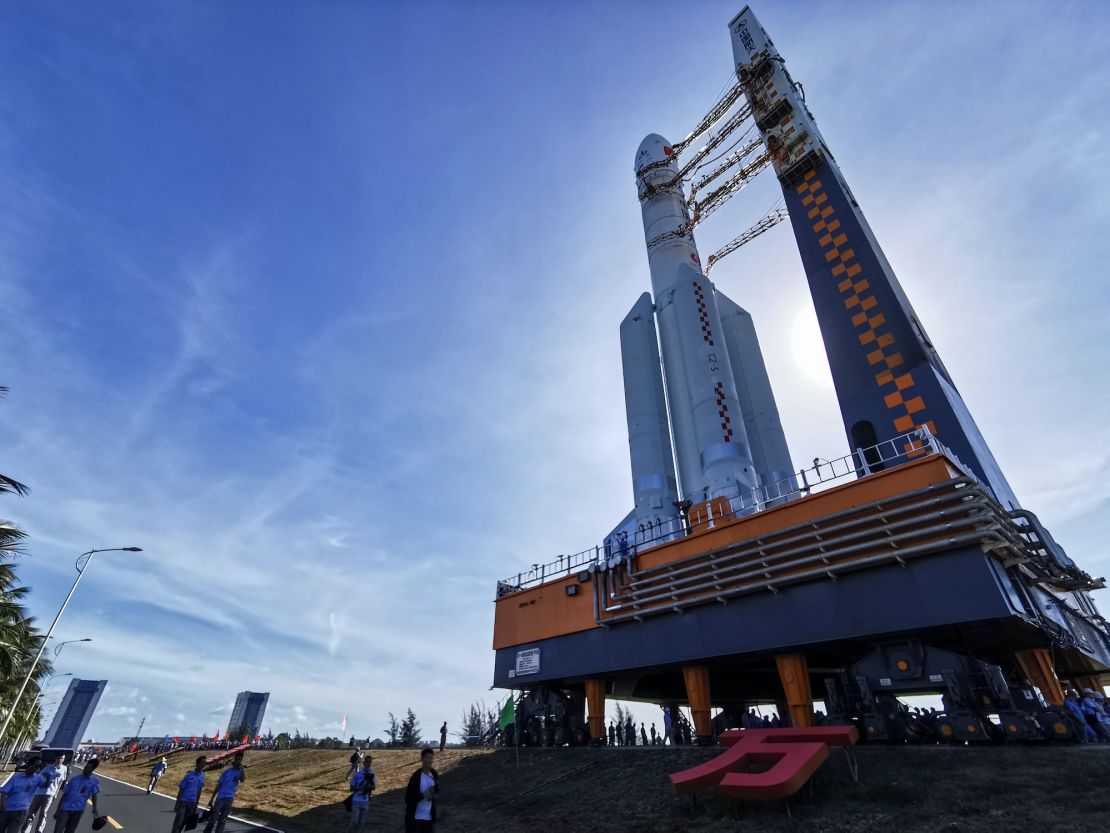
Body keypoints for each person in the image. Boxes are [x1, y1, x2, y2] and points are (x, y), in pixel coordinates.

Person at [52, 758, 100, 833]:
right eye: (85, 767)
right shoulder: (74, 779)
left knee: (70, 831)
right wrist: (58, 810)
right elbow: (64, 795)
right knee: (58, 830)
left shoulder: (94, 781)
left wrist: (95, 808)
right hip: (65, 809)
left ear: (92, 769)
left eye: (88, 768)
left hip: (78, 810)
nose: (85, 769)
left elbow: (94, 795)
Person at [203, 751, 246, 833]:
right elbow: (218, 785)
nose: (238, 761)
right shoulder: (227, 771)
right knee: (213, 819)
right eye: (237, 759)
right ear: (235, 759)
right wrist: (212, 799)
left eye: (240, 759)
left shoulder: (240, 772)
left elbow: (243, 779)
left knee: (222, 821)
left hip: (229, 799)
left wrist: (242, 769)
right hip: (220, 798)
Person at [0, 758, 43, 833]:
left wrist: (49, 777)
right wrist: (2, 806)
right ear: (29, 765)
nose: (38, 768)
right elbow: (4, 792)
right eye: (36, 766)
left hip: (21, 811)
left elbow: (46, 786)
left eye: (40, 766)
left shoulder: (38, 778)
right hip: (7, 809)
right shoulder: (16, 778)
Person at [25, 754, 65, 833]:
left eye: (62, 758)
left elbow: (61, 781)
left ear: (63, 759)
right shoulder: (47, 767)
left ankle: (39, 830)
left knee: (43, 813)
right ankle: (26, 830)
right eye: (58, 758)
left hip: (50, 794)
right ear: (55, 758)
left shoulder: (64, 768)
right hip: (39, 793)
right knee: (32, 812)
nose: (60, 759)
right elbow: (38, 776)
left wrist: (56, 793)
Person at [403, 747, 439, 833]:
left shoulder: (434, 774)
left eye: (431, 758)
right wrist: (423, 795)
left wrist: (434, 795)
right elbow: (408, 799)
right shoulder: (415, 777)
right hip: (415, 820)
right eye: (427, 757)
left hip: (429, 819)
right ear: (422, 759)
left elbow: (437, 790)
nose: (430, 760)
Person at [170, 756, 206, 833]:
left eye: (204, 763)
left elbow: (199, 790)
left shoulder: (203, 776)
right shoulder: (189, 775)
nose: (203, 764)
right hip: (183, 801)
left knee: (184, 823)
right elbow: (181, 788)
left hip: (192, 803)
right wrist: (177, 802)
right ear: (197, 763)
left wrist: (196, 803)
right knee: (178, 822)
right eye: (201, 763)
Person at [346, 755, 376, 832]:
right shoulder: (358, 774)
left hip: (365, 801)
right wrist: (361, 788)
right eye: (367, 762)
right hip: (356, 801)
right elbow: (351, 788)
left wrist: (370, 787)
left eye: (370, 762)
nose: (368, 764)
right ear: (364, 762)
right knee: (354, 822)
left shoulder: (372, 776)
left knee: (361, 823)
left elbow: (374, 787)